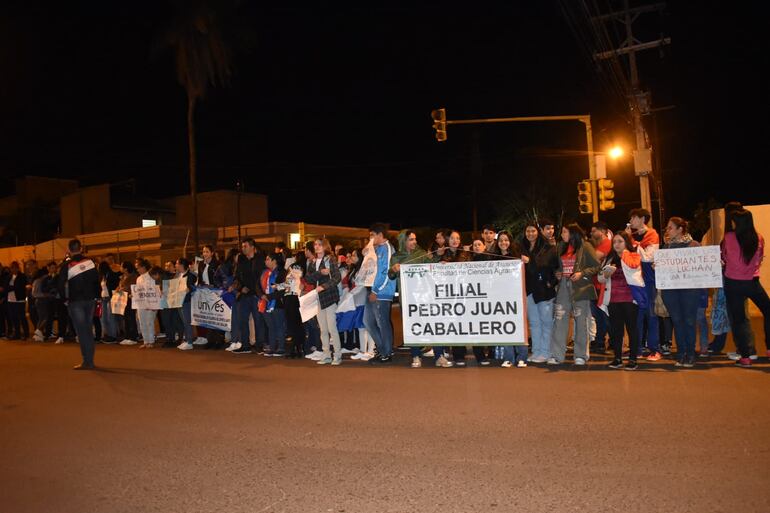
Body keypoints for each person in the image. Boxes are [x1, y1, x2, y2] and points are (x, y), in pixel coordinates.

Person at [722, 209, 770, 368]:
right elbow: (760, 258)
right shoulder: (759, 237)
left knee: (739, 320)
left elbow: (724, 257)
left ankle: (745, 356)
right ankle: (769, 348)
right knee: (768, 311)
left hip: (733, 283)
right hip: (752, 282)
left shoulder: (729, 237)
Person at [548, 223, 601, 366]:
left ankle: (581, 355)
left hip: (581, 288)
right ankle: (557, 355)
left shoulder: (585, 246)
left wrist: (582, 273)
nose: (562, 235)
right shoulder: (561, 247)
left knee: (581, 321)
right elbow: (560, 267)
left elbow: (596, 266)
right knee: (559, 320)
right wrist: (558, 273)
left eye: (565, 232)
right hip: (564, 286)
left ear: (573, 233)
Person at [389, 230, 443, 367]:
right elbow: (390, 276)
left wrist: (439, 260)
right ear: (403, 241)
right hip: (408, 298)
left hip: (426, 296)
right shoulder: (396, 257)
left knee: (434, 325)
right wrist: (393, 270)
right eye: (411, 239)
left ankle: (439, 355)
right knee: (412, 327)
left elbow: (432, 266)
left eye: (415, 239)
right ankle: (415, 356)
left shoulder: (421, 253)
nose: (415, 242)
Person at [597, 231, 645, 370]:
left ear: (626, 243)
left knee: (632, 329)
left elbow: (634, 270)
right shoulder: (609, 258)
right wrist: (606, 274)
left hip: (630, 299)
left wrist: (624, 254)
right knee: (615, 330)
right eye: (615, 242)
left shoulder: (633, 255)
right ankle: (617, 358)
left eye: (620, 242)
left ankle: (633, 359)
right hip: (613, 299)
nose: (616, 245)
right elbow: (600, 278)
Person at [659, 217, 702, 367]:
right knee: (677, 321)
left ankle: (690, 354)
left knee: (689, 321)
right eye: (667, 228)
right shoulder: (666, 248)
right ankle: (681, 353)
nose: (667, 230)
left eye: (670, 227)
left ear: (680, 229)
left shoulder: (694, 245)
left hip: (690, 291)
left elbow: (701, 267)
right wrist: (657, 267)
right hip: (671, 291)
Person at [518, 222, 559, 364]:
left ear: (538, 232)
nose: (530, 234)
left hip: (544, 291)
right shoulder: (521, 248)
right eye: (527, 231)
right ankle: (536, 351)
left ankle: (546, 352)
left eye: (533, 231)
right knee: (534, 323)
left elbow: (555, 268)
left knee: (546, 322)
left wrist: (551, 283)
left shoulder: (549, 248)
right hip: (529, 290)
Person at [57, 239, 100, 370]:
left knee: (81, 331)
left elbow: (60, 284)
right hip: (90, 300)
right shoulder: (90, 262)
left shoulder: (67, 265)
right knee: (88, 329)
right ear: (81, 248)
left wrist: (64, 299)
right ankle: (90, 360)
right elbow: (96, 280)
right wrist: (96, 297)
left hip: (75, 301)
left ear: (69, 250)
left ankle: (87, 361)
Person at [626, 208, 662, 361]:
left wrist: (632, 242)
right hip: (634, 280)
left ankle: (655, 349)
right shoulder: (631, 236)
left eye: (634, 218)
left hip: (648, 280)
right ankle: (637, 348)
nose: (631, 221)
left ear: (642, 219)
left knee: (650, 314)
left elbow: (648, 257)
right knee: (636, 316)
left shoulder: (652, 234)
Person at [491, 230, 528, 368]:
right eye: (500, 240)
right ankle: (509, 358)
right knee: (505, 326)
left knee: (519, 326)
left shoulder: (517, 257)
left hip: (516, 296)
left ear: (510, 242)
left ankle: (522, 357)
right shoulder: (493, 258)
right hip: (500, 297)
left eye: (506, 240)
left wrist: (526, 262)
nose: (503, 243)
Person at [305, 238, 343, 365]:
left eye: (319, 244)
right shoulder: (313, 261)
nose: (316, 247)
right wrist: (320, 273)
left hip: (329, 296)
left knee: (332, 327)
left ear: (325, 246)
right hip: (318, 298)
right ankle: (326, 354)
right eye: (315, 245)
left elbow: (337, 277)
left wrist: (324, 286)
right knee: (323, 329)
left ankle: (337, 355)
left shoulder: (330, 259)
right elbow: (308, 279)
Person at [364, 223, 398, 365]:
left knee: (382, 322)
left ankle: (386, 353)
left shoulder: (387, 249)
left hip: (381, 292)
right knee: (367, 321)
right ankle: (384, 349)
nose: (370, 238)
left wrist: (375, 291)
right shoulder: (377, 249)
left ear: (379, 235)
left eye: (372, 235)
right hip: (372, 289)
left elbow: (385, 272)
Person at [439, 230, 473, 366]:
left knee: (463, 322)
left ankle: (464, 350)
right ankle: (457, 353)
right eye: (452, 238)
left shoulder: (465, 254)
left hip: (464, 293)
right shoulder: (443, 254)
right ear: (448, 240)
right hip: (448, 294)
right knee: (453, 323)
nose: (455, 240)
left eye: (458, 238)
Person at [231, 239, 267, 355]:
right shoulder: (241, 260)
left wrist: (259, 292)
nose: (243, 248)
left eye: (245, 246)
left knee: (258, 321)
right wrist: (240, 288)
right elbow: (236, 277)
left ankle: (259, 345)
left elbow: (263, 277)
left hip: (256, 295)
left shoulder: (260, 259)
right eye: (242, 246)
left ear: (252, 247)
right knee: (242, 320)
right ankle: (245, 345)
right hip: (244, 295)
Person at [589, 221, 612, 353]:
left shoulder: (606, 244)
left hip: (602, 285)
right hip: (595, 283)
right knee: (598, 316)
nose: (591, 234)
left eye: (594, 231)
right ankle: (600, 341)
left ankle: (605, 341)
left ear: (602, 231)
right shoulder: (597, 245)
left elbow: (593, 259)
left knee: (603, 315)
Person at [260, 252, 287, 357]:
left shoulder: (282, 273)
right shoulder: (265, 272)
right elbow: (258, 285)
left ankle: (281, 347)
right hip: (265, 302)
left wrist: (269, 297)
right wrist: (262, 295)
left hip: (277, 302)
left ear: (274, 261)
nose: (265, 261)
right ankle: (272, 347)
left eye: (268, 259)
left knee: (279, 325)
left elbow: (283, 288)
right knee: (270, 326)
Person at [134, 259, 159, 349]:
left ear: (144, 267)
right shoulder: (138, 278)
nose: (137, 270)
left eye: (138, 268)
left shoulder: (151, 276)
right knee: (142, 322)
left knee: (149, 322)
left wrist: (153, 304)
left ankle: (151, 341)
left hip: (151, 303)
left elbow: (155, 290)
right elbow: (138, 291)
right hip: (141, 304)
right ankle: (145, 341)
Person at [175, 258, 198, 351]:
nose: (176, 266)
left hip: (187, 301)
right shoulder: (178, 275)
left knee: (187, 321)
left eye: (177, 264)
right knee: (184, 321)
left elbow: (193, 286)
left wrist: (189, 289)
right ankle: (187, 339)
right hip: (179, 301)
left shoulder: (190, 275)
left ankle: (189, 342)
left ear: (181, 265)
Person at [97, 260, 121, 343]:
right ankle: (107, 334)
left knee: (110, 317)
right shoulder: (102, 277)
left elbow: (116, 282)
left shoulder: (110, 275)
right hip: (103, 298)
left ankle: (113, 335)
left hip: (110, 297)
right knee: (103, 318)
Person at [116, 261, 139, 345]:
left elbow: (133, 287)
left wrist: (124, 289)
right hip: (123, 298)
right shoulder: (123, 276)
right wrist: (118, 289)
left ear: (126, 268)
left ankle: (133, 337)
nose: (120, 268)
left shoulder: (133, 276)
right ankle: (127, 336)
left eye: (121, 266)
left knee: (131, 317)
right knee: (125, 317)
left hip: (130, 298)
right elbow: (120, 285)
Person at [5, 261, 29, 340]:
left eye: (15, 267)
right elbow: (6, 287)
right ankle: (17, 334)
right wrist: (11, 287)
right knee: (13, 317)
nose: (13, 269)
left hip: (19, 300)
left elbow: (19, 287)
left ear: (18, 268)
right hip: (10, 300)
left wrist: (11, 287)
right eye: (12, 268)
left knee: (22, 317)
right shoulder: (9, 276)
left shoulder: (22, 276)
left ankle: (26, 334)